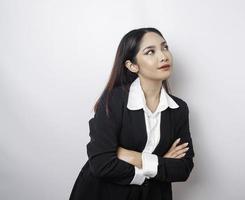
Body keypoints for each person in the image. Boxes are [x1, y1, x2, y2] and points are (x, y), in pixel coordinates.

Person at [69, 27, 195, 200]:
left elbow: (183, 169)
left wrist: (133, 157)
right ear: (132, 65)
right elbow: (101, 163)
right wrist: (159, 163)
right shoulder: (114, 100)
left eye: (165, 47)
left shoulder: (179, 108)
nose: (163, 56)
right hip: (102, 194)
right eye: (150, 52)